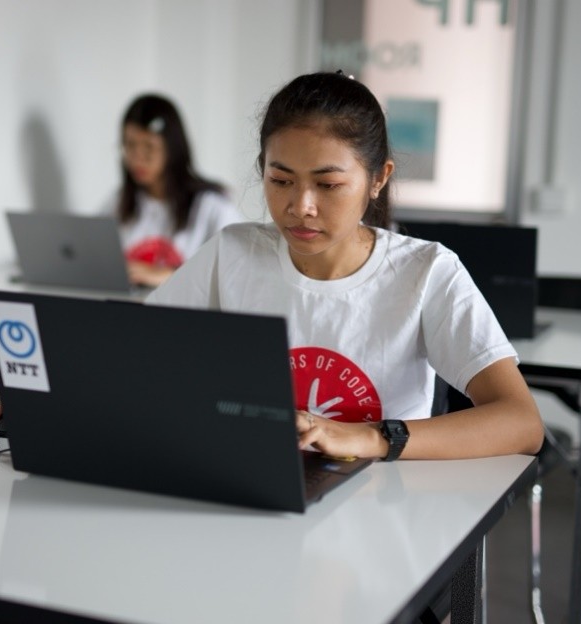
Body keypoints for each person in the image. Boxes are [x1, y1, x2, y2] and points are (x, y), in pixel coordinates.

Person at [145, 71, 544, 461]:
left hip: (384, 505)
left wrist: (372, 438)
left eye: (328, 185)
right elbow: (137, 360)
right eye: (281, 180)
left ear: (378, 179)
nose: (301, 206)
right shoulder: (231, 253)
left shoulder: (427, 272)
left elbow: (521, 423)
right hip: (253, 483)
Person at [101, 93, 243, 287]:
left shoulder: (211, 208)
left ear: (172, 148)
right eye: (130, 146)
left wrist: (169, 275)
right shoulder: (118, 204)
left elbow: (236, 274)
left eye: (149, 147)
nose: (138, 158)